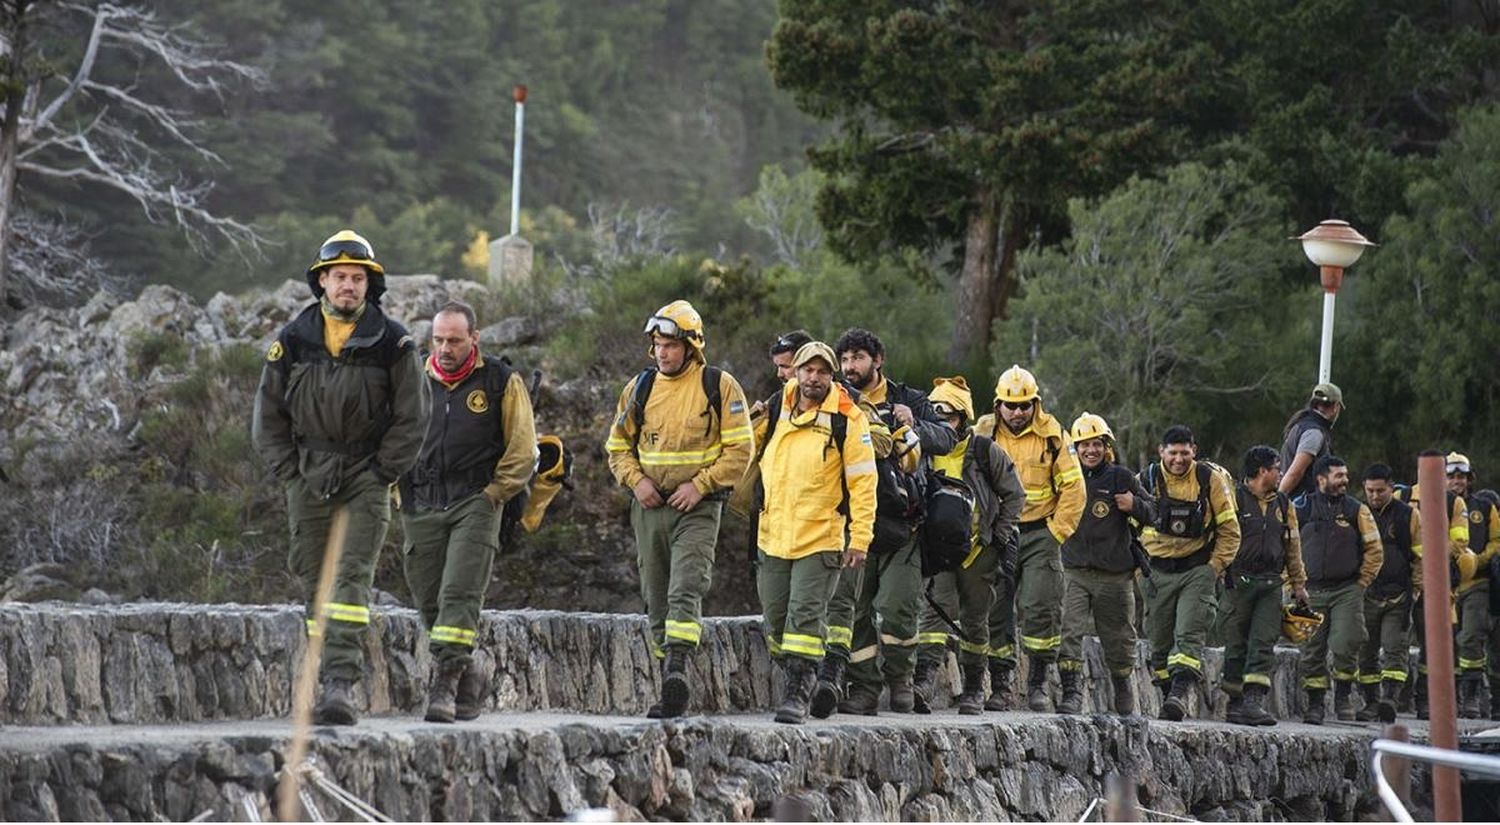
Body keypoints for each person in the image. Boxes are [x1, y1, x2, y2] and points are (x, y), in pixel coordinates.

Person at [252, 229, 430, 725]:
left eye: (357, 278)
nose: (348, 286)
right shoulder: (292, 341)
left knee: (350, 578)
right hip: (308, 474)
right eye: (339, 277)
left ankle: (340, 686)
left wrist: (381, 471)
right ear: (322, 282)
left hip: (366, 476)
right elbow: (267, 416)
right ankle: (318, 674)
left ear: (370, 285)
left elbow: (414, 417)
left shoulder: (393, 342)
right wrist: (288, 471)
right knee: (313, 578)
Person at [604, 300, 754, 718]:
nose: (662, 352)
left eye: (670, 344)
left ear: (691, 346)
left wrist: (700, 484)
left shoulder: (719, 386)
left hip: (699, 507)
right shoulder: (640, 388)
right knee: (655, 594)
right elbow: (617, 447)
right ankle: (664, 682)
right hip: (649, 506)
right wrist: (638, 482)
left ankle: (678, 668)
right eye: (657, 344)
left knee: (686, 584)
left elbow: (741, 449)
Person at [396, 301, 538, 723]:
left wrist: (494, 494)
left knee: (459, 593)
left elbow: (523, 446)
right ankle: (470, 671)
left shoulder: (499, 381)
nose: (444, 348)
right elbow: (390, 436)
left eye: (454, 340)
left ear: (474, 339)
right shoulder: (411, 379)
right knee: (428, 598)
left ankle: (443, 683)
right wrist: (395, 490)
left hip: (474, 502)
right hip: (420, 501)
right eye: (438, 339)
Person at [833, 328, 957, 715]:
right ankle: (864, 688)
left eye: (858, 358)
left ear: (877, 360)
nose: (850, 367)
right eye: (846, 359)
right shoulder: (838, 400)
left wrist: (914, 424)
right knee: (856, 609)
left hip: (905, 525)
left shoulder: (909, 399)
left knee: (900, 605)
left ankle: (901, 682)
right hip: (856, 524)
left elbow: (948, 438)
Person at [755, 341, 877, 724]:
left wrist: (859, 539)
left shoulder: (847, 419)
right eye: (808, 369)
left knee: (804, 619)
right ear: (796, 371)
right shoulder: (776, 407)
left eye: (823, 371)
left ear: (831, 376)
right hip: (773, 535)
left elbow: (863, 484)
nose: (814, 377)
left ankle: (797, 692)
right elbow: (746, 452)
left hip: (821, 538)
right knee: (775, 621)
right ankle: (801, 671)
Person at [973, 365, 1085, 711]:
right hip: (997, 534)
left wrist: (1056, 533)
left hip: (1040, 534)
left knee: (1041, 607)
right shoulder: (983, 433)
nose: (1018, 412)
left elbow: (1074, 489)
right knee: (996, 609)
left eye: (1025, 405)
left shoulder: (1054, 436)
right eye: (1011, 405)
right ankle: (1001, 686)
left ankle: (1037, 683)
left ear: (1035, 403)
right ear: (998, 405)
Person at [911, 377, 1024, 715]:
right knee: (934, 614)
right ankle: (923, 682)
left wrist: (999, 536)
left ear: (964, 417)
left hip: (979, 550)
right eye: (937, 416)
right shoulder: (923, 452)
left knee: (976, 620)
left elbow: (1015, 495)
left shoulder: (984, 451)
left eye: (951, 417)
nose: (944, 424)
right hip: (939, 551)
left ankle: (975, 687)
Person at [1137, 425, 1241, 721]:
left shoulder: (1211, 481)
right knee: (1158, 642)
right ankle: (1170, 691)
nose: (1179, 459)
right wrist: (1135, 568)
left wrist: (1213, 568)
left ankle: (1180, 694)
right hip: (1154, 571)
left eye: (1185, 452)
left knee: (1188, 635)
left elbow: (1230, 531)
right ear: (1161, 452)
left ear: (1194, 451)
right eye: (1173, 453)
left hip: (1197, 570)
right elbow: (1125, 526)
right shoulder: (1145, 480)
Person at [1055, 412, 1155, 716]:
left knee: (1120, 638)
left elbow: (1154, 512)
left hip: (1115, 575)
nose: (1090, 451)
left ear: (1106, 445)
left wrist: (1133, 505)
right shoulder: (1064, 476)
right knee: (1068, 632)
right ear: (1074, 448)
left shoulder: (1122, 477)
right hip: (1074, 570)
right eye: (1083, 445)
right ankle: (1071, 693)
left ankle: (1123, 689)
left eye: (1096, 444)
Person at [1218, 446, 1307, 727]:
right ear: (1262, 471)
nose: (1281, 473)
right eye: (1277, 468)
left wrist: (1299, 585)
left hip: (1271, 584)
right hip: (1238, 582)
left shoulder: (1283, 504)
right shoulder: (1233, 499)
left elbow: (1293, 547)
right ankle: (1234, 704)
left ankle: (1253, 701)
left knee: (1264, 641)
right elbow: (1221, 536)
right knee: (1235, 643)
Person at [1296, 456, 1383, 724]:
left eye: (1346, 475)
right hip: (1309, 592)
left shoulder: (1357, 510)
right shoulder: (1300, 509)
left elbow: (1375, 551)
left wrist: (1361, 584)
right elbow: (1286, 548)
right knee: (1311, 650)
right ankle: (1315, 704)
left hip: (1347, 590)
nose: (1345, 480)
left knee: (1347, 643)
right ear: (1321, 479)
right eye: (1339, 476)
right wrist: (1293, 584)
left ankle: (1343, 696)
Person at [1356, 463, 1421, 724]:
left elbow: (1420, 556)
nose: (1374, 496)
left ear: (1391, 488)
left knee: (1395, 648)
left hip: (1399, 596)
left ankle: (1390, 700)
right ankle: (1370, 702)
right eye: (1370, 491)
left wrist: (1416, 589)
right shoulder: (1357, 513)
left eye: (1380, 491)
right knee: (1366, 651)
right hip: (1368, 594)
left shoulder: (1408, 515)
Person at [1444, 452, 1500, 718]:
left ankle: (1471, 697)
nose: (1457, 482)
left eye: (1461, 477)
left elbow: (1497, 541)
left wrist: (1478, 560)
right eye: (1452, 476)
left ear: (1469, 479)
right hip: (1444, 586)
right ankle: (1450, 696)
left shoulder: (1485, 508)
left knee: (1470, 637)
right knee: (1448, 643)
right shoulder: (1434, 506)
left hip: (1477, 582)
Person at [1278, 383, 1343, 502]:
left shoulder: (1301, 424)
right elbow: (1295, 473)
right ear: (1336, 406)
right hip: (1304, 506)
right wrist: (1278, 500)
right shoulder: (1314, 433)